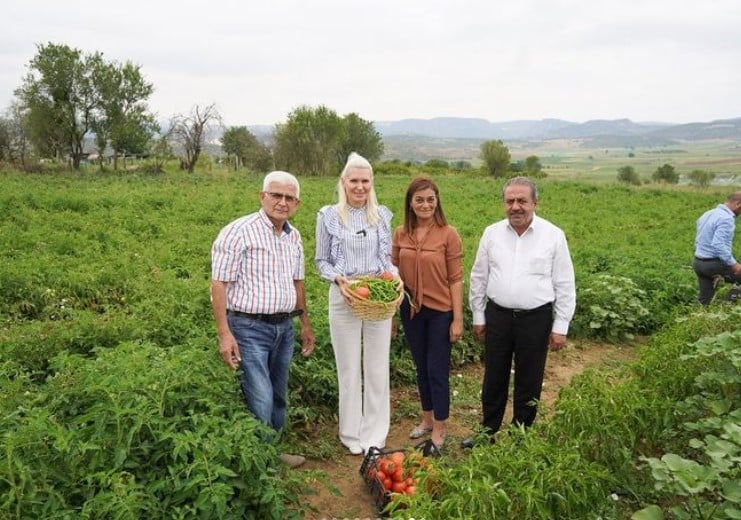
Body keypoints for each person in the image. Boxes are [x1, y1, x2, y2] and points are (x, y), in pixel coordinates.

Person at [211, 170, 315, 468]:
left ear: (297, 203)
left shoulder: (293, 237)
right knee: (261, 395)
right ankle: (263, 464)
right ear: (262, 196)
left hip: (284, 327)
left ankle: (272, 452)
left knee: (279, 393)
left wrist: (305, 324)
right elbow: (219, 284)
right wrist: (224, 334)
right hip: (248, 327)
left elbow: (298, 283)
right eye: (276, 195)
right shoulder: (238, 231)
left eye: (289, 198)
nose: (282, 202)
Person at [462, 176, 576, 448]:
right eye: (510, 201)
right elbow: (479, 276)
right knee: (494, 376)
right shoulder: (492, 233)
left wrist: (561, 325)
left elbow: (564, 282)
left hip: (535, 318)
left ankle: (519, 436)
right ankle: (486, 431)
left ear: (535, 202)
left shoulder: (553, 236)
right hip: (498, 315)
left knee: (530, 377)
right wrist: (479, 315)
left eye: (522, 200)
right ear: (504, 204)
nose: (516, 206)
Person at [315, 152, 398, 455]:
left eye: (365, 181)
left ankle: (375, 434)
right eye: (354, 181)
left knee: (377, 366)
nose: (360, 186)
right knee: (348, 366)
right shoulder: (328, 216)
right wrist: (339, 280)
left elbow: (386, 261)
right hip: (344, 296)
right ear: (343, 182)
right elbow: (321, 261)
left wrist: (395, 278)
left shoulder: (383, 215)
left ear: (372, 183)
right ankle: (351, 434)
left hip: (375, 297)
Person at [391, 177, 463, 453]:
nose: (425, 204)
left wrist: (458, 319)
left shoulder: (448, 234)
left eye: (430, 199)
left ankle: (440, 427)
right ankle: (426, 418)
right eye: (419, 199)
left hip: (440, 312)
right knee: (421, 367)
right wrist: (393, 316)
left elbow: (456, 279)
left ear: (437, 202)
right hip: (411, 310)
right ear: (410, 202)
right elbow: (393, 275)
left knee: (437, 370)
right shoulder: (400, 233)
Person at [693, 192, 741, 305]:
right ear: (738, 204)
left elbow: (700, 237)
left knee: (705, 300)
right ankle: (727, 307)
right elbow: (718, 244)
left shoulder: (708, 213)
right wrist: (734, 265)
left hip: (698, 263)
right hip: (713, 264)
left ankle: (701, 318)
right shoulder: (726, 219)